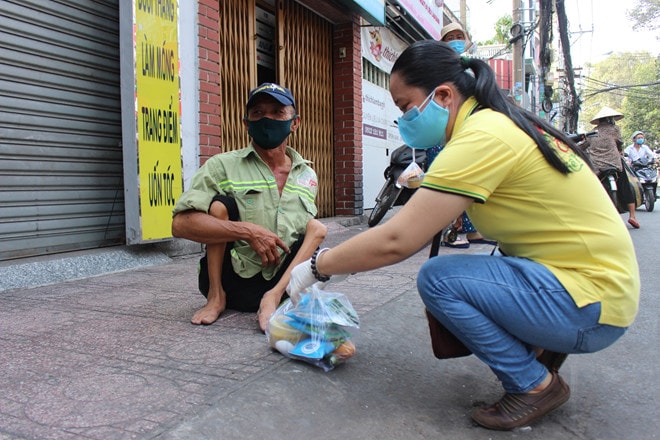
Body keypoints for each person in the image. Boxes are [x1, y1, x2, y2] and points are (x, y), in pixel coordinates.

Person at [286, 41, 640, 431]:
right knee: (483, 270)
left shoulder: (484, 135)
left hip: (591, 306)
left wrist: (317, 267)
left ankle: (534, 384)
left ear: (442, 95)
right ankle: (540, 351)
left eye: (405, 106)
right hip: (599, 293)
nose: (403, 118)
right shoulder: (500, 124)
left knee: (440, 280)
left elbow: (396, 241)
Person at [171, 82, 327, 331]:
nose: (267, 118)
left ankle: (272, 297)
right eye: (258, 112)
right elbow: (180, 225)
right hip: (233, 282)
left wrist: (277, 292)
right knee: (220, 207)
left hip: (283, 286)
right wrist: (247, 231)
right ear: (247, 124)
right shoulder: (221, 165)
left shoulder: (307, 175)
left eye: (277, 112)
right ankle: (215, 297)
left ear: (294, 123)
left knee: (316, 227)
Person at [435, 22, 494, 248]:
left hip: (466, 128)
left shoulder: (470, 68)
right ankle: (449, 231)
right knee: (447, 180)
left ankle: (471, 231)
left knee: (467, 179)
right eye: (451, 36)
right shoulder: (438, 67)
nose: (456, 40)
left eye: (460, 36)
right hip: (443, 129)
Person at [588, 107, 640, 228]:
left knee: (592, 187)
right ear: (610, 120)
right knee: (626, 185)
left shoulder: (592, 133)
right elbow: (620, 143)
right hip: (615, 164)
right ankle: (632, 216)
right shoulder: (615, 129)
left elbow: (583, 145)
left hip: (597, 167)